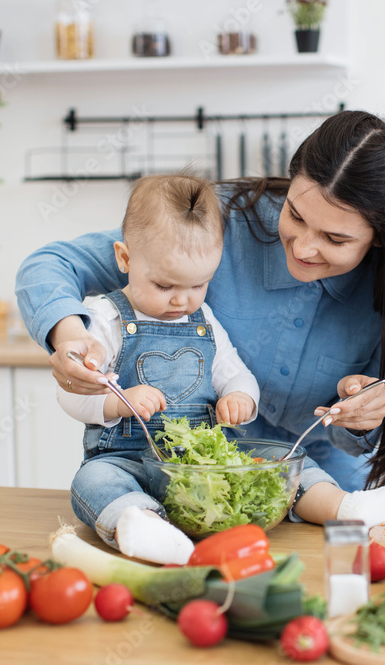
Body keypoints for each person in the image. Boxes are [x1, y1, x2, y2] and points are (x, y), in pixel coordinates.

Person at [16, 111, 385, 530]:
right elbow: (52, 265)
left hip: (317, 481)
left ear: (380, 235)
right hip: (194, 475)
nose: (305, 247)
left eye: (335, 239)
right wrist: (70, 335)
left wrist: (361, 416)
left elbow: (351, 439)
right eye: (296, 215)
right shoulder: (219, 225)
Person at [57, 174, 260, 564]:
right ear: (125, 258)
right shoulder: (104, 318)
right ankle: (144, 526)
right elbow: (70, 392)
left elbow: (236, 372)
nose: (182, 300)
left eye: (199, 285)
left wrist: (240, 397)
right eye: (165, 286)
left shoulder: (204, 320)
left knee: (278, 466)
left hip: (196, 468)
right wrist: (117, 403)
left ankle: (344, 506)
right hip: (125, 462)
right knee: (93, 482)